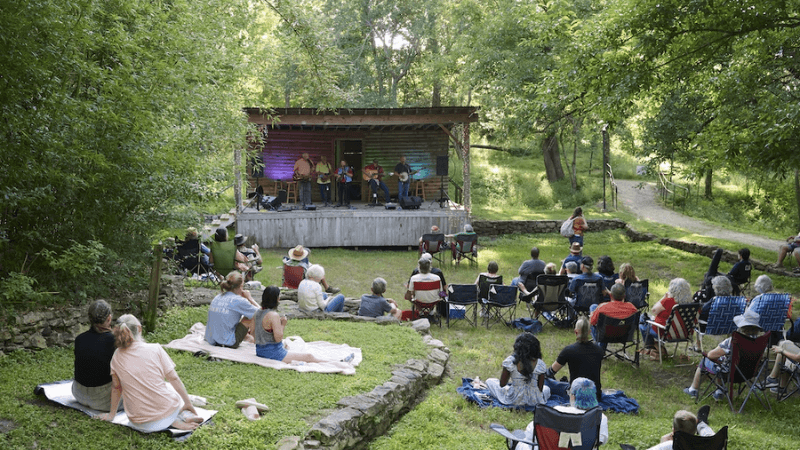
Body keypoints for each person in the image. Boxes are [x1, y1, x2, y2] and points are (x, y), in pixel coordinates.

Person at [100, 314, 203, 432]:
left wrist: (111, 415)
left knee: (160, 389)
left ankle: (174, 419)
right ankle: (178, 418)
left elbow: (116, 388)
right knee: (170, 390)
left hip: (139, 423)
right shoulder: (155, 349)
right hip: (166, 415)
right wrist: (187, 403)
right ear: (139, 329)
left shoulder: (116, 356)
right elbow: (174, 379)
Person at [253, 286, 354, 365]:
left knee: (287, 345)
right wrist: (282, 324)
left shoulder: (257, 312)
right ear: (276, 299)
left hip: (260, 350)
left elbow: (253, 335)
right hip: (272, 354)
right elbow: (278, 339)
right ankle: (337, 362)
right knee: (309, 356)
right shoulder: (273, 315)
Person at [683, 310, 764, 400]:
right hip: (749, 373)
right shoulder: (760, 342)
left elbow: (711, 355)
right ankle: (719, 392)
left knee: (707, 360)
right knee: (723, 360)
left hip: (729, 373)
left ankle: (693, 390)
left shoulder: (734, 340)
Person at [516, 378, 609, 450]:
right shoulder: (600, 417)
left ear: (573, 396)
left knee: (519, 438)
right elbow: (601, 441)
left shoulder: (556, 412)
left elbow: (531, 433)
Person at [72, 300, 122, 411]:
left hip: (78, 394)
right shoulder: (115, 341)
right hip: (104, 401)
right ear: (109, 318)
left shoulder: (79, 339)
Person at [547, 317, 604, 402]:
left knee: (547, 381)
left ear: (575, 332)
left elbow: (551, 371)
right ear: (589, 332)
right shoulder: (599, 350)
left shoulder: (568, 350)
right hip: (595, 395)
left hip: (576, 396)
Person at [485, 333, 551, 407]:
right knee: (547, 389)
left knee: (489, 381)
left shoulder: (510, 361)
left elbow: (502, 384)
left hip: (514, 399)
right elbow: (540, 389)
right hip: (534, 401)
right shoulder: (540, 364)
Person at [205, 271, 260, 348]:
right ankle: (255, 342)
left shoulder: (217, 297)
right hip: (227, 343)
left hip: (210, 340)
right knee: (251, 315)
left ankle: (249, 338)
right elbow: (262, 313)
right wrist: (250, 298)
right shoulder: (239, 300)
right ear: (241, 286)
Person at [640, 278, 692, 358]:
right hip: (683, 333)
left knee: (642, 323)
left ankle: (651, 347)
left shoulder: (668, 301)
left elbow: (654, 310)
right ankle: (655, 347)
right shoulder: (689, 304)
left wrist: (664, 297)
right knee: (648, 319)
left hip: (664, 333)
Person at [590, 284, 638, 349]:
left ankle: (601, 348)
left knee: (593, 308)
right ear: (624, 295)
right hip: (625, 336)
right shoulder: (632, 308)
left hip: (605, 336)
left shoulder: (602, 307)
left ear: (611, 295)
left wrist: (592, 314)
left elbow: (593, 322)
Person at [646, 407, 715, 450]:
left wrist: (662, 444)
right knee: (709, 435)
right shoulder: (705, 446)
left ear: (673, 431)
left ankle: (700, 423)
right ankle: (701, 423)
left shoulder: (669, 445)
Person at [408, 252, 448, 318]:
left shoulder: (414, 276)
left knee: (410, 295)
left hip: (418, 301)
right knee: (438, 294)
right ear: (430, 264)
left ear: (419, 266)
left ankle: (421, 313)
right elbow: (442, 291)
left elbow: (410, 291)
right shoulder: (437, 276)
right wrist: (445, 296)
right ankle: (431, 312)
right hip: (433, 301)